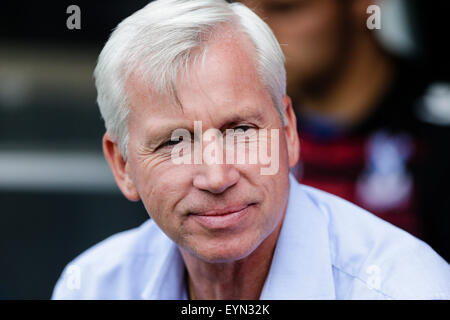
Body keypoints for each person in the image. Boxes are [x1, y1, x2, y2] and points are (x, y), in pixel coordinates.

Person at [52, 0, 450, 300]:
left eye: (241, 130)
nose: (217, 177)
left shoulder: (405, 288)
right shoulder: (89, 287)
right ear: (122, 165)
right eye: (175, 142)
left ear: (289, 130)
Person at [238, 0, 450, 261]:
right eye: (244, 15)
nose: (255, 35)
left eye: (285, 9)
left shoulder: (439, 128)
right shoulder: (239, 135)